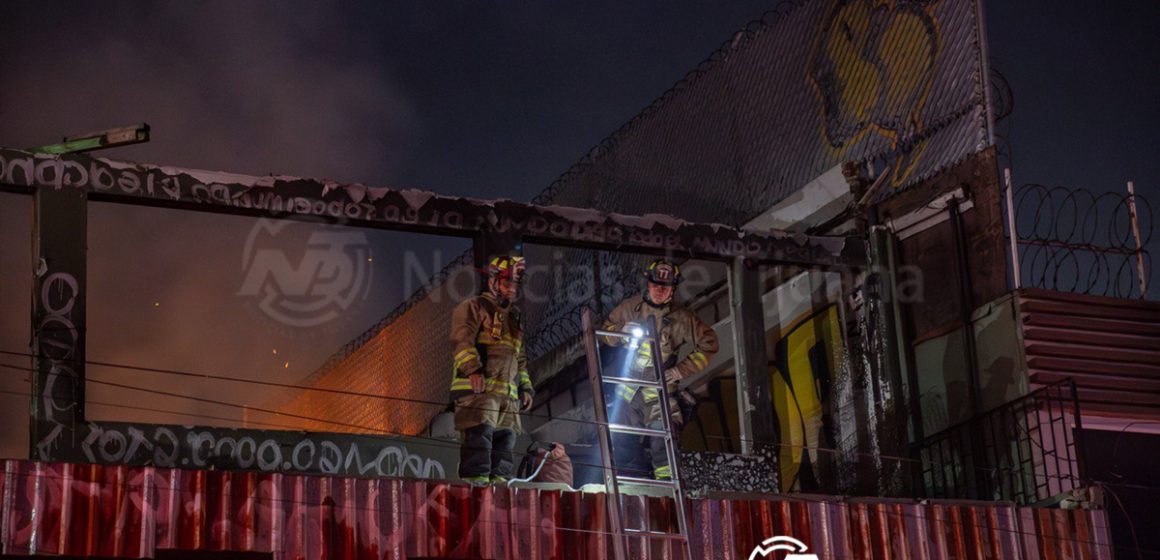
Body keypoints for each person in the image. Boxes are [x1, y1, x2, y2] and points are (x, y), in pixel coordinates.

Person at [602, 258, 719, 480]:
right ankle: (629, 488)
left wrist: (679, 371)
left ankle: (666, 492)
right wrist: (621, 330)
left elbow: (710, 344)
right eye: (656, 285)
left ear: (673, 290)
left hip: (659, 395)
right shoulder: (630, 308)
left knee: (662, 445)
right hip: (627, 396)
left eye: (665, 288)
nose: (659, 291)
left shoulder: (682, 319)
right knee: (622, 443)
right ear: (648, 284)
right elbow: (605, 333)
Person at [448, 255, 534, 485]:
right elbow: (461, 340)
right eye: (507, 284)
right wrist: (473, 370)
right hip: (479, 395)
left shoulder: (514, 319)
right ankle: (475, 499)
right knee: (479, 445)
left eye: (515, 285)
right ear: (493, 283)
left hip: (507, 398)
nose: (512, 290)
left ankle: (498, 498)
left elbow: (520, 357)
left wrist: (526, 387)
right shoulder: (474, 307)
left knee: (504, 451)